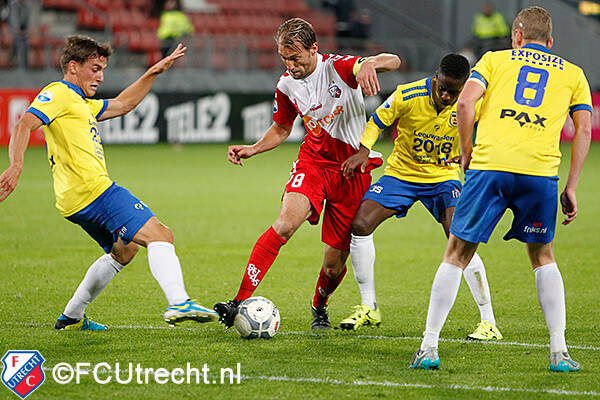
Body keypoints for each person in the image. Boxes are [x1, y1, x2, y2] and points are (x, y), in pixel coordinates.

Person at [410, 6, 592, 371]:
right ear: (551, 42)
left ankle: (429, 347)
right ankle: (560, 352)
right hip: (539, 173)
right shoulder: (573, 73)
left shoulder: (494, 60)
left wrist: (465, 152)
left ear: (517, 37)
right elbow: (583, 130)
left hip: (490, 166)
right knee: (543, 256)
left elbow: (464, 102)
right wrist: (571, 186)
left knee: (457, 252)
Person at [0, 35, 219, 330]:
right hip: (94, 191)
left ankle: (72, 318)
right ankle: (179, 302)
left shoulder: (82, 104)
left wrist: (153, 72)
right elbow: (24, 123)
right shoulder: (59, 93)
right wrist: (16, 166)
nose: (101, 76)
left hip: (74, 200)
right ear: (73, 67)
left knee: (124, 250)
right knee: (160, 234)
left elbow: (123, 104)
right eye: (95, 68)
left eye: (103, 69)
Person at [214, 18, 400, 330]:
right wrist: (253, 148)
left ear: (314, 49)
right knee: (285, 224)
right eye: (284, 58)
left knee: (332, 264)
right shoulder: (286, 84)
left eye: (296, 57)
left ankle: (319, 306)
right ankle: (237, 302)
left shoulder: (338, 68)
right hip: (312, 164)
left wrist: (369, 63)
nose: (290, 65)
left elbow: (393, 61)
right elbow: (282, 128)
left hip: (351, 170)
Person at [339, 54, 501, 342]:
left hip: (443, 177)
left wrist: (473, 154)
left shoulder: (473, 101)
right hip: (402, 174)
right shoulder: (409, 93)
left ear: (465, 85)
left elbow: (494, 129)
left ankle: (488, 321)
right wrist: (364, 149)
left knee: (460, 235)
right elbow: (378, 120)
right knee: (361, 224)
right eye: (442, 86)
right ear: (435, 75)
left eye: (454, 90)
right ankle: (369, 306)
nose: (446, 95)